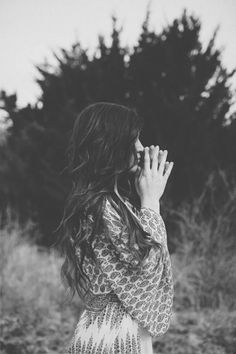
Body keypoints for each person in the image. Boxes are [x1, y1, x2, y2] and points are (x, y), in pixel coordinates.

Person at [54, 102, 174, 354]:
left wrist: (147, 196)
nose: (141, 148)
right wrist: (151, 201)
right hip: (114, 337)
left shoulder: (110, 202)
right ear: (110, 145)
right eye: (133, 140)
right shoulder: (99, 206)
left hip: (115, 330)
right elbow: (145, 267)